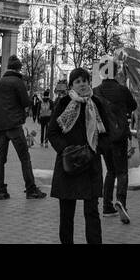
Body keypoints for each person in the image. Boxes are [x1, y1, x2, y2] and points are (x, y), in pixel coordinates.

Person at [47, 67, 109, 244]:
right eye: (77, 81)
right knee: (66, 213)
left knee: (92, 212)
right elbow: (53, 132)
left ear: (89, 82)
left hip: (90, 164)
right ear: (71, 85)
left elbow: (106, 133)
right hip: (69, 164)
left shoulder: (96, 103)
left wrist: (95, 150)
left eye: (84, 81)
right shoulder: (64, 103)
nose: (82, 84)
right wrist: (66, 150)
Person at [0, 55, 46, 200]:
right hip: (14, 125)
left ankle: (1, 191)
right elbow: (26, 102)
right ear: (18, 67)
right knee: (24, 158)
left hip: (0, 126)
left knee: (0, 159)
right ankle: (31, 189)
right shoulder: (18, 82)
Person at [94, 55, 137, 223]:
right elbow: (133, 106)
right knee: (122, 172)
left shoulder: (96, 91)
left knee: (110, 171)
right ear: (116, 71)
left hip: (104, 138)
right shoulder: (122, 90)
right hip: (119, 137)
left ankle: (106, 206)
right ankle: (121, 201)